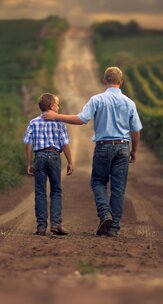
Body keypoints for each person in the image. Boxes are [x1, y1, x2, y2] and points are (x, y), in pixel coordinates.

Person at [43, 67, 142, 237]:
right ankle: (114, 229)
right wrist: (134, 151)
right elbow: (136, 131)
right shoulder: (129, 103)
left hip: (103, 146)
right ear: (121, 82)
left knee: (98, 182)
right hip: (123, 146)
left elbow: (81, 119)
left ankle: (105, 215)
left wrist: (56, 116)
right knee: (118, 188)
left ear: (105, 81)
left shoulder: (97, 99)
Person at [23, 93, 74, 236]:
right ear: (52, 106)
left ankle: (41, 227)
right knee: (56, 190)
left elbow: (28, 144)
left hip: (39, 156)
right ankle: (56, 225)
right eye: (57, 104)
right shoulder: (59, 122)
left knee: (40, 192)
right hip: (54, 156)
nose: (58, 106)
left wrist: (29, 163)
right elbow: (65, 144)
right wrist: (70, 161)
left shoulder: (33, 122)